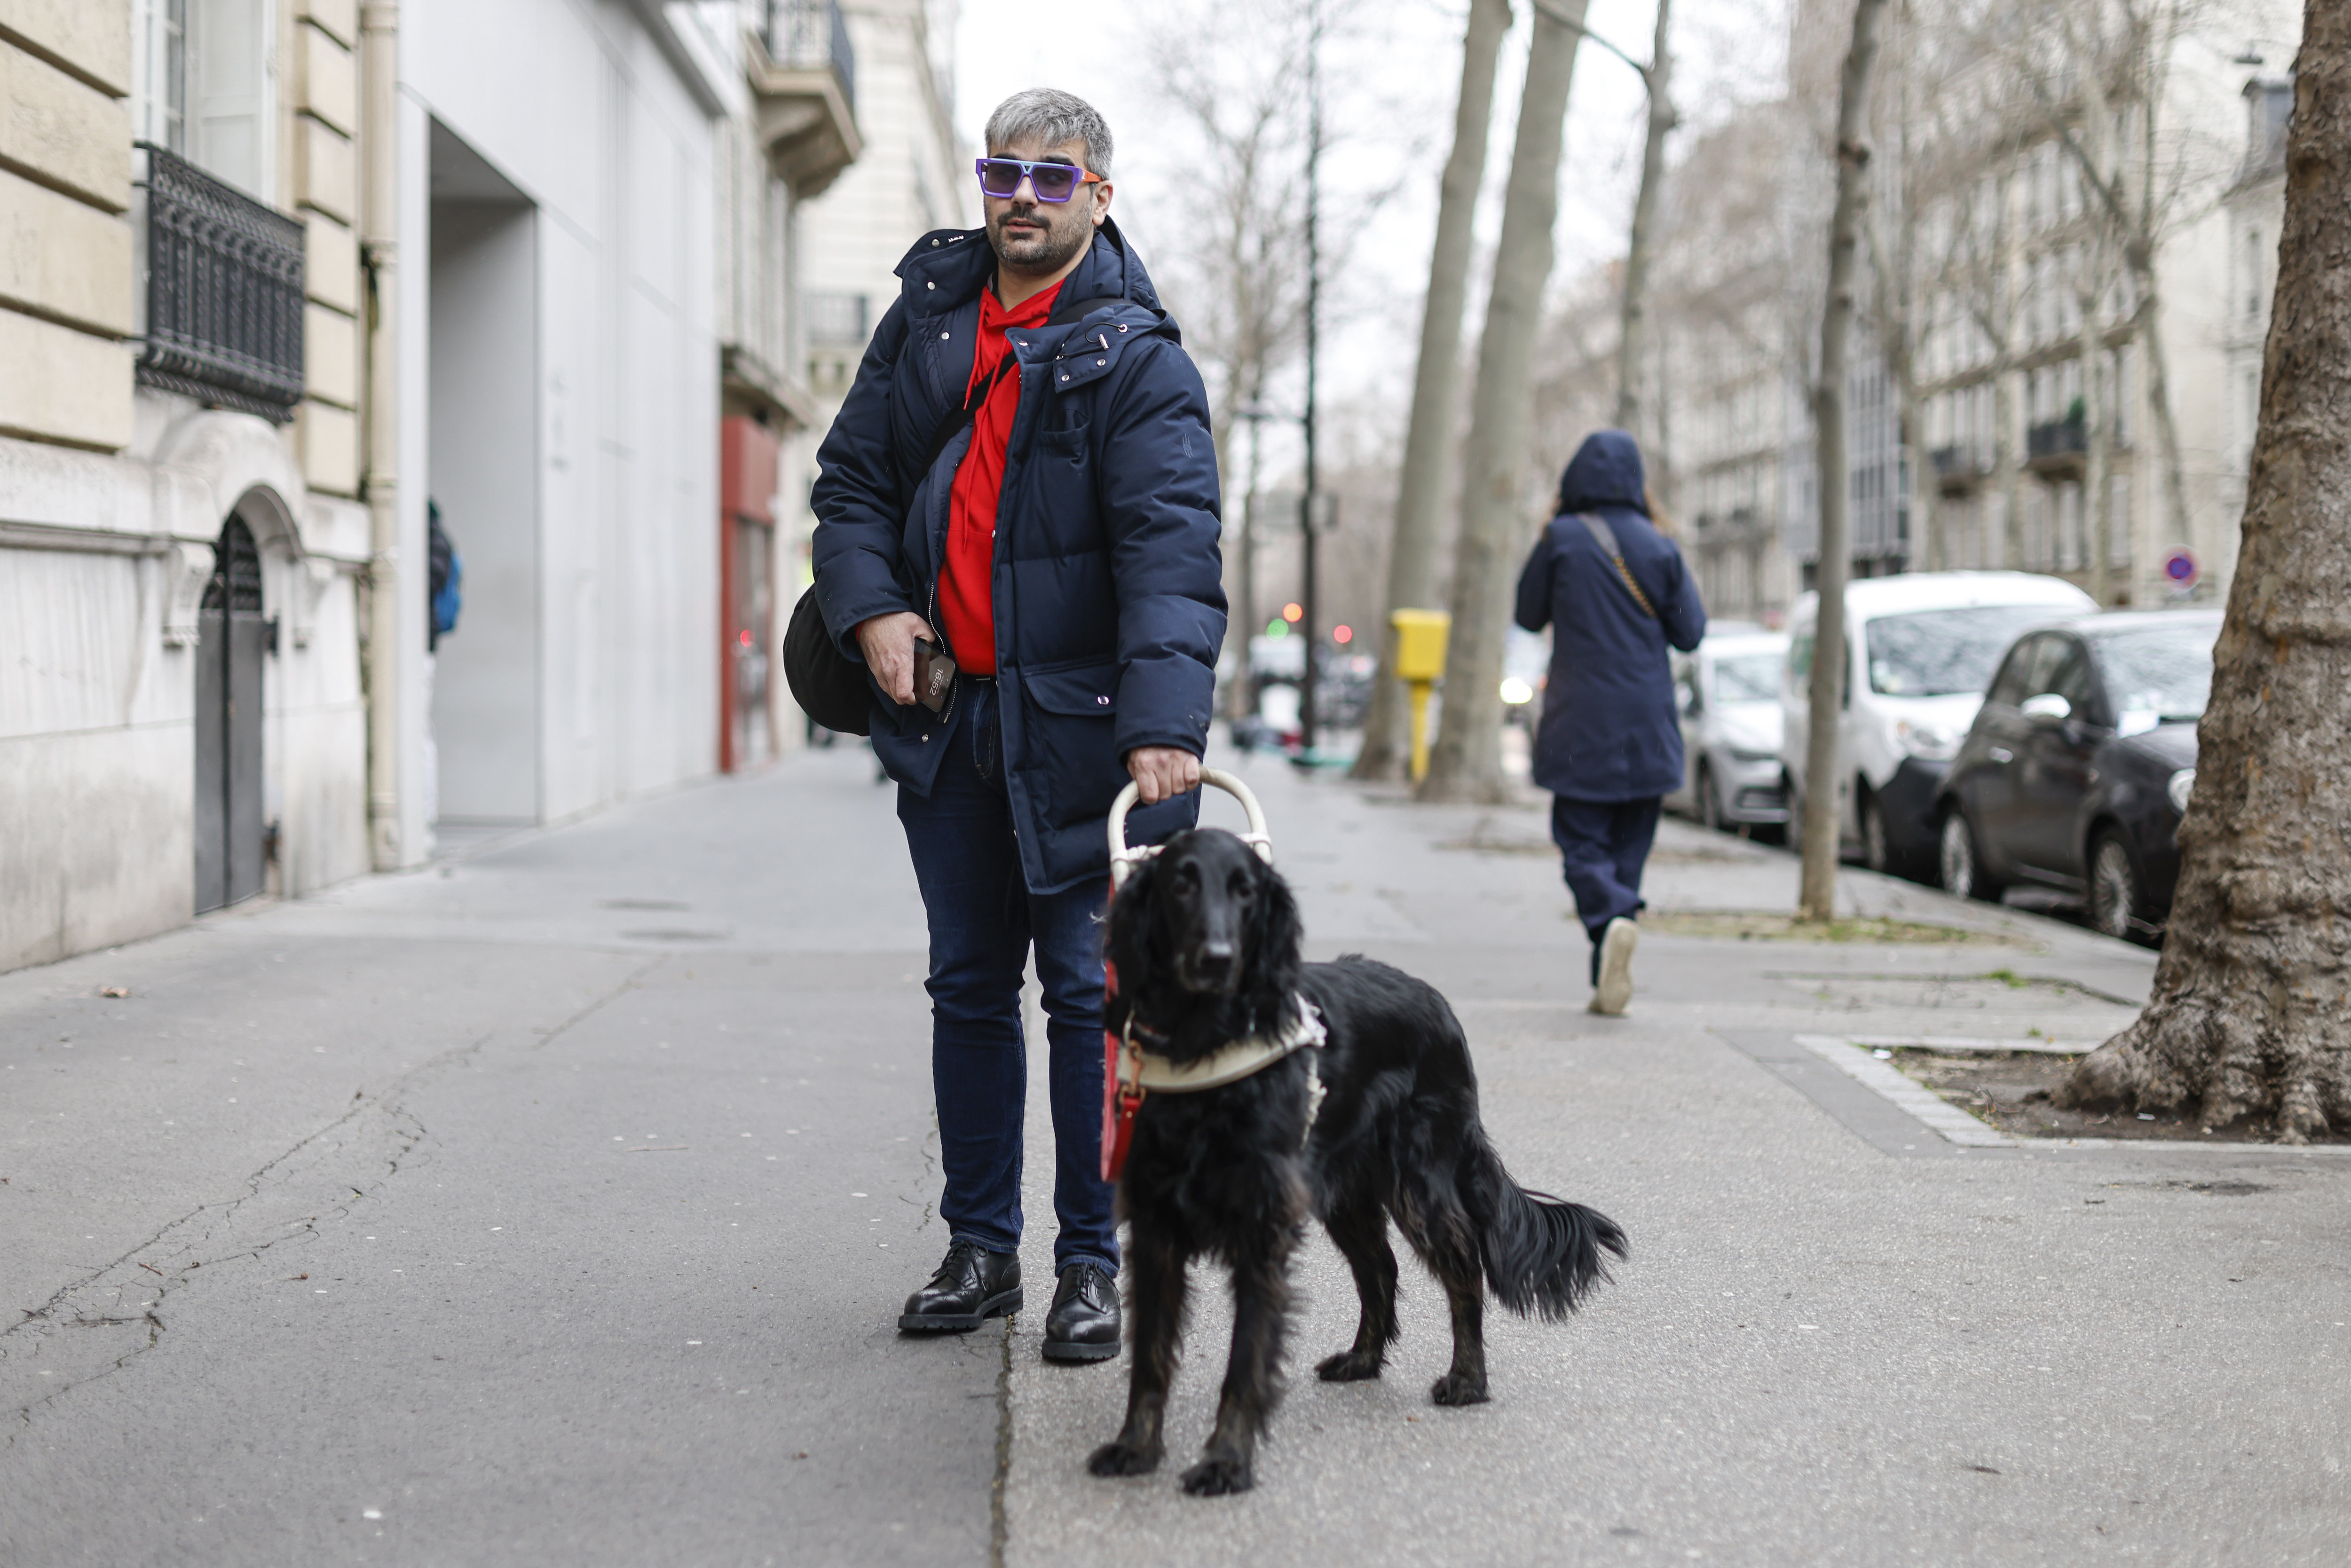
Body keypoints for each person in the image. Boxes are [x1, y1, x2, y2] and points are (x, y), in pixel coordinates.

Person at [809, 90, 1225, 1362]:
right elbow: (852, 482)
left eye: (1055, 176)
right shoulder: (927, 316)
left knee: (1091, 996)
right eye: (1006, 172)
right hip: (949, 722)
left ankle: (1090, 1264)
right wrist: (873, 608)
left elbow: (1172, 547)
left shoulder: (1136, 352)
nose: (1024, 196)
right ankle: (981, 1246)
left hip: (1088, 733)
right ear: (982, 184)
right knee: (968, 985)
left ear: (1100, 194)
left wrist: (1163, 722)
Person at [1514, 430, 1704, 1016]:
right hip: (1648, 723)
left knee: (1579, 843)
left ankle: (1611, 917)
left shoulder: (1562, 540)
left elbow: (1525, 615)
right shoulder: (1661, 546)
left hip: (1580, 723)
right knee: (1626, 850)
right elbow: (1690, 632)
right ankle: (1610, 962)